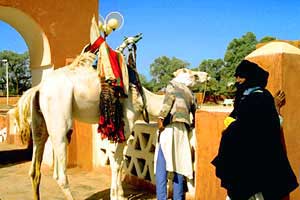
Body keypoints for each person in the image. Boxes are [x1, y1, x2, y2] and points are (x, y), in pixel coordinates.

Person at [212, 60, 298, 200]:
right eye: (236, 76)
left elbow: (253, 127)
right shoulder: (247, 98)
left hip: (255, 169)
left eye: (241, 76)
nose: (237, 80)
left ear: (250, 77)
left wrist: (230, 130)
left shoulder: (259, 98)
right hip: (244, 167)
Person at [155, 69, 197, 200]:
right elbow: (195, 111)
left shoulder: (172, 85)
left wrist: (161, 119)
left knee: (161, 164)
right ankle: (178, 197)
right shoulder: (190, 93)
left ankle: (162, 197)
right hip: (183, 130)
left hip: (170, 127)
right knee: (179, 165)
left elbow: (168, 102)